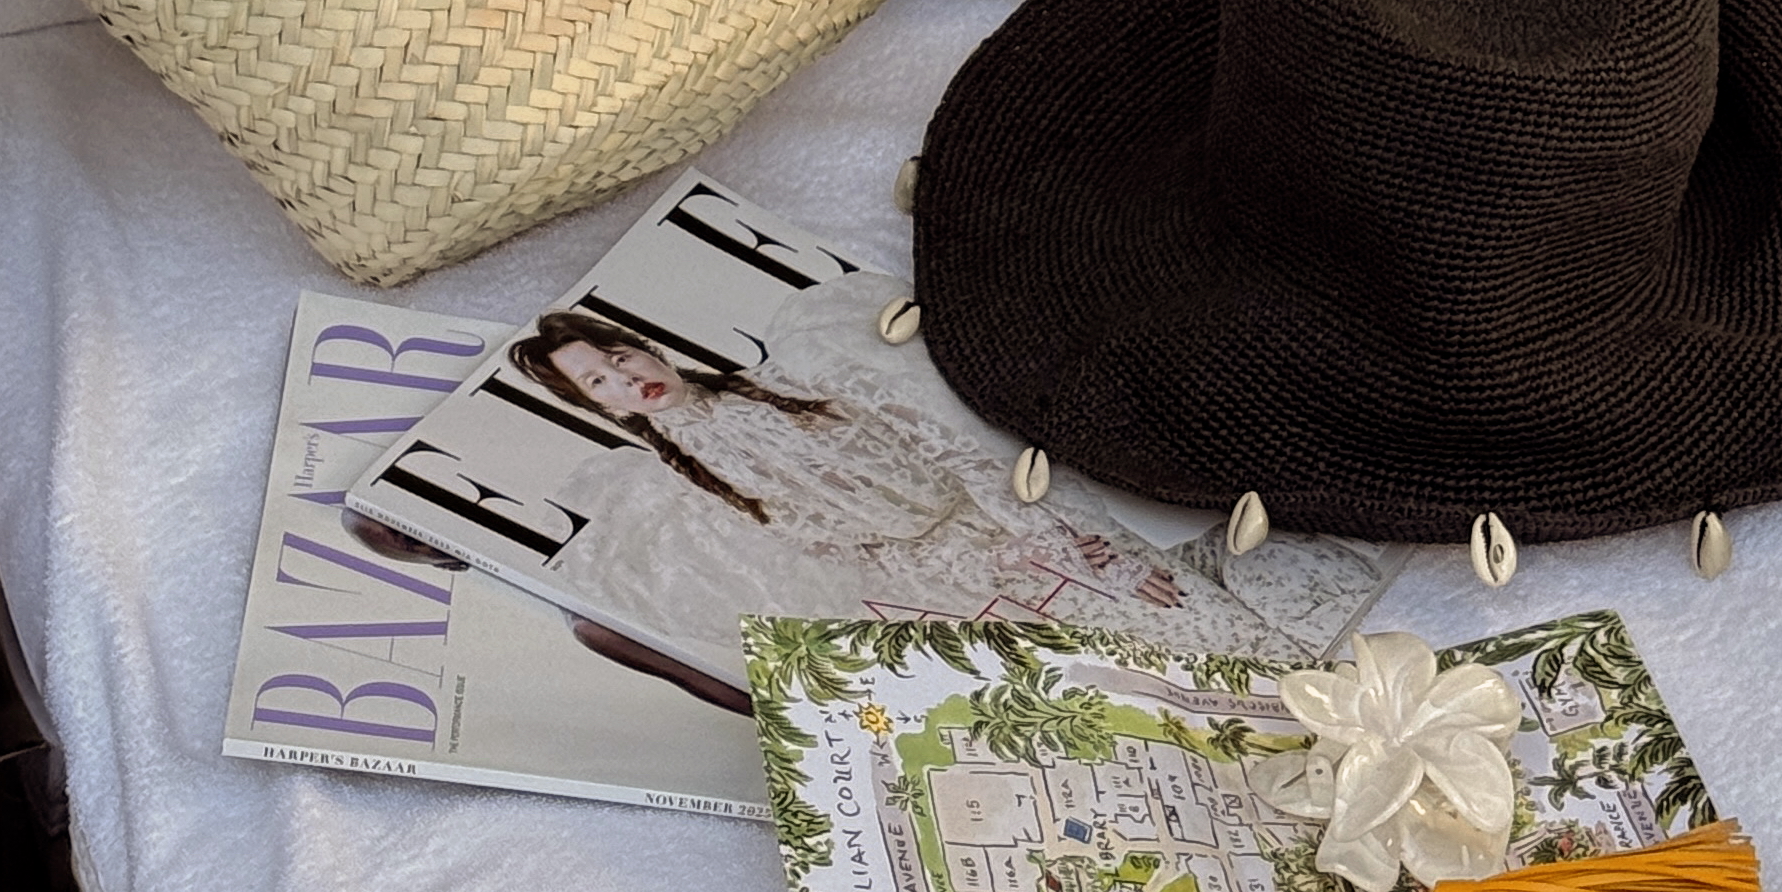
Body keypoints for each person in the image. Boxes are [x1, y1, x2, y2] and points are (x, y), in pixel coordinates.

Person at [509, 284, 1293, 672]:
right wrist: (968, 583)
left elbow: (947, 456)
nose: (623, 380)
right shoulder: (691, 484)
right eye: (597, 386)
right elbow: (838, 551)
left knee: (1182, 619)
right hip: (947, 583)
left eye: (617, 359)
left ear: (644, 347)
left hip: (1012, 521)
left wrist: (1059, 542)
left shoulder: (795, 384)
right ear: (599, 411)